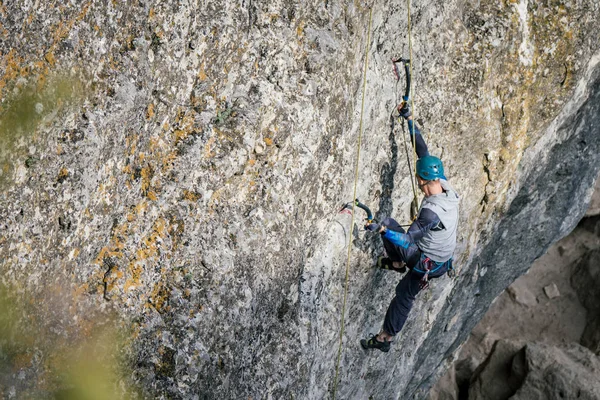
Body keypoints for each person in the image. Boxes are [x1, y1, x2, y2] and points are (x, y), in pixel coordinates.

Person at [360, 104, 460, 353]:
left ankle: (385, 339)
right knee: (404, 284)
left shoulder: (430, 212)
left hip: (427, 263)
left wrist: (382, 230)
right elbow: (423, 153)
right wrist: (409, 121)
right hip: (441, 259)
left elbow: (407, 239)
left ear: (420, 180)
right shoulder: (444, 186)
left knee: (404, 293)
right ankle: (395, 264)